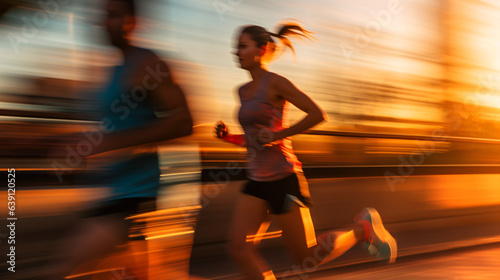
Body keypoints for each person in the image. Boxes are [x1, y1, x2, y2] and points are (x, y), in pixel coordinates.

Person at [215, 22, 397, 279]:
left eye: (242, 46)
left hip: (283, 179)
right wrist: (228, 137)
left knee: (306, 256)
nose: (236, 52)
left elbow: (316, 114)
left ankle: (361, 230)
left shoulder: (277, 83)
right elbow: (253, 139)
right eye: (236, 47)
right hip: (256, 181)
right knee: (238, 248)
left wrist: (278, 135)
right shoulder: (242, 92)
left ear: (262, 49)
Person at [45, 0, 193, 279]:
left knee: (61, 271)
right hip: (111, 190)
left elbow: (184, 122)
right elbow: (113, 129)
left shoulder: (149, 63)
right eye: (102, 16)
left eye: (113, 15)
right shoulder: (113, 70)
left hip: (137, 196)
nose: (103, 22)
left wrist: (109, 143)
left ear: (132, 22)